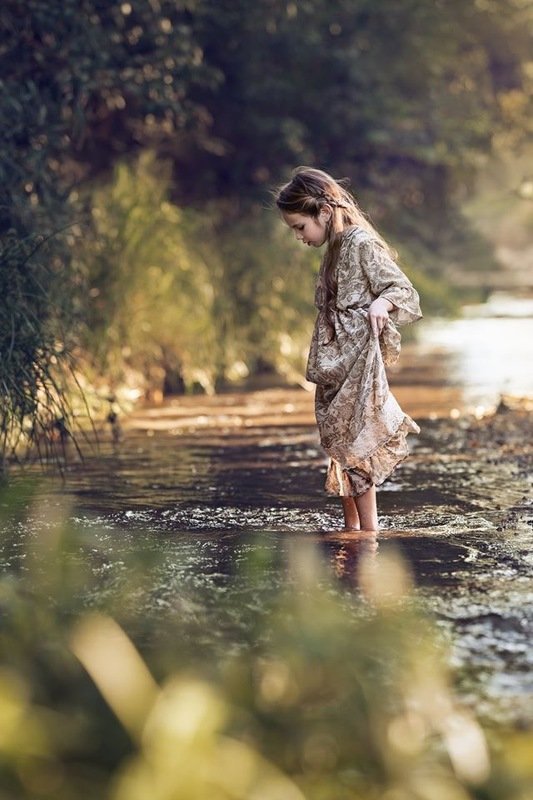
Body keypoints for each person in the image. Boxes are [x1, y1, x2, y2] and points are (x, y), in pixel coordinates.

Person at [275, 167, 422, 531]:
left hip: (358, 364)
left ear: (323, 212)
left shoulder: (359, 242)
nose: (299, 236)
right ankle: (352, 531)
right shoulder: (334, 249)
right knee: (339, 445)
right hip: (334, 367)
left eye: (299, 227)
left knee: (356, 446)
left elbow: (404, 291)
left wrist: (380, 304)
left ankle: (368, 535)